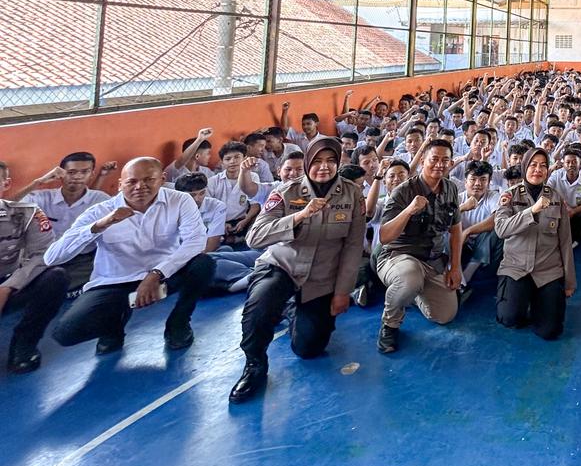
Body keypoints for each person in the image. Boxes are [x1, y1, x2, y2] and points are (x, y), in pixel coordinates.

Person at [228, 137, 365, 403]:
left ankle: (292, 308)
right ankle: (255, 365)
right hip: (283, 266)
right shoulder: (286, 192)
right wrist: (299, 216)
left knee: (308, 349)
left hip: (321, 277)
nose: (324, 167)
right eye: (317, 161)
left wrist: (342, 292)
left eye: (331, 161)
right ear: (307, 163)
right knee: (260, 306)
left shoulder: (352, 194)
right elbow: (254, 237)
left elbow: (353, 246)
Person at [46, 157, 214, 354]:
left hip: (163, 277)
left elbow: (195, 242)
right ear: (120, 185)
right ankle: (114, 324)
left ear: (162, 179)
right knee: (66, 333)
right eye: (131, 181)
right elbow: (52, 258)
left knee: (204, 264)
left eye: (148, 180)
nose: (140, 187)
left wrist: (156, 274)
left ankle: (179, 322)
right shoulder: (100, 212)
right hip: (115, 284)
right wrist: (99, 226)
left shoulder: (180, 200)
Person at [374, 139, 463, 353]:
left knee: (445, 315)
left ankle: (413, 294)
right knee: (408, 277)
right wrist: (408, 211)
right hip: (397, 256)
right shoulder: (403, 191)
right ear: (423, 160)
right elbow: (385, 236)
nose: (440, 164)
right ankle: (390, 325)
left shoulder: (450, 188)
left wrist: (455, 267)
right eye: (434, 159)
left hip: (431, 261)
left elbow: (456, 229)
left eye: (445, 160)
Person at [491, 148, 575, 339]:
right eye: (533, 165)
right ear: (524, 167)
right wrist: (532, 211)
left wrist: (569, 282)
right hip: (516, 267)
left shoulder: (556, 198)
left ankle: (541, 300)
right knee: (509, 317)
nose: (538, 169)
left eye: (543, 166)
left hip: (548, 270)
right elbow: (502, 229)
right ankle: (524, 300)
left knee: (549, 331)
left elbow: (565, 241)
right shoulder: (509, 196)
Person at [0, 161, 68, 373]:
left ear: (6, 183)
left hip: (9, 283)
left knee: (55, 277)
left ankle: (24, 344)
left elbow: (43, 254)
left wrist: (8, 287)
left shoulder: (26, 213)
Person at [11, 151, 110, 292]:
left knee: (99, 272)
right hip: (46, 258)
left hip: (82, 261)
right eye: (72, 172)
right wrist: (37, 182)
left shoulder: (101, 199)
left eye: (84, 172)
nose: (78, 177)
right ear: (60, 173)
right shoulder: (43, 198)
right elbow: (6, 208)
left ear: (92, 174)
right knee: (26, 281)